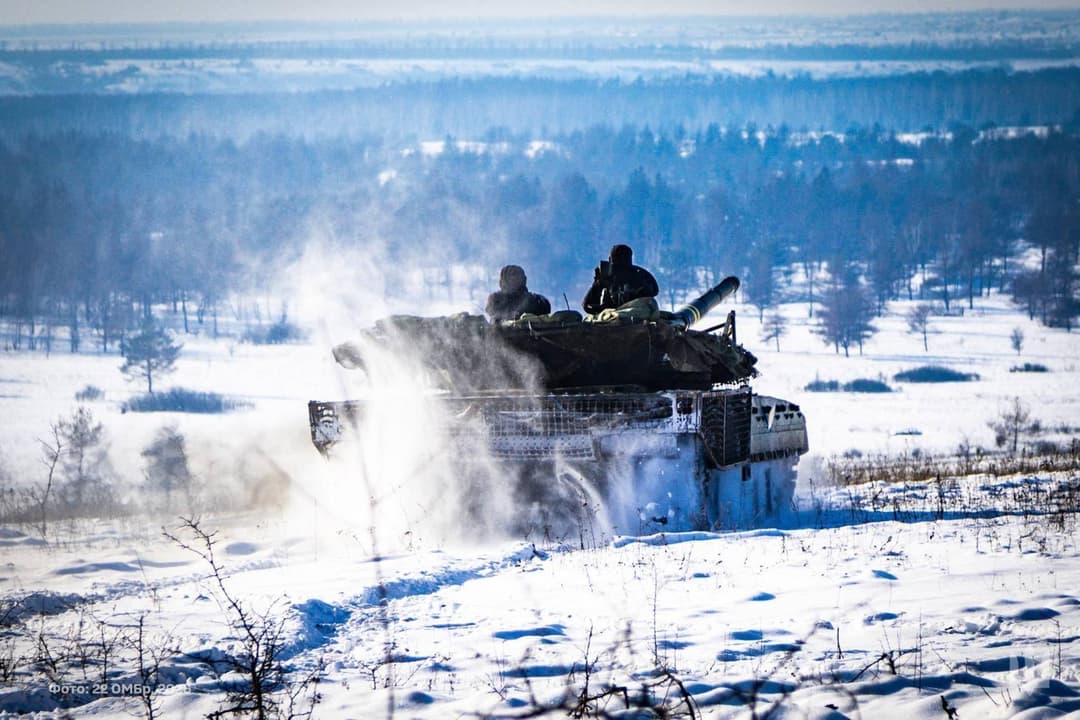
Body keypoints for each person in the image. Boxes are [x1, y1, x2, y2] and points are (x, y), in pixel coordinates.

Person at [582, 244, 659, 314]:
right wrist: (598, 284)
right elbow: (588, 306)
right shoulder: (611, 278)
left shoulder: (637, 277)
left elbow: (646, 298)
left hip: (632, 316)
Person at [485, 264, 552, 322]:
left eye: (516, 275)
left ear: (524, 280)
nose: (513, 278)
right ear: (502, 282)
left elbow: (545, 308)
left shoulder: (536, 299)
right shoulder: (496, 299)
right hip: (501, 330)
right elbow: (492, 312)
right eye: (510, 275)